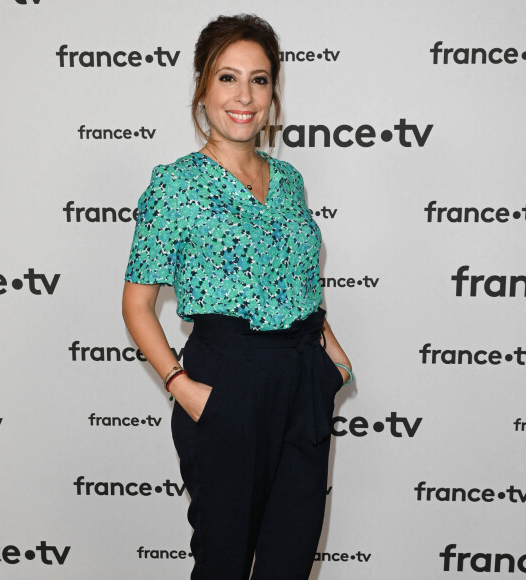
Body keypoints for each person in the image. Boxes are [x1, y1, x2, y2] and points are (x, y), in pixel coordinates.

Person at [122, 13, 352, 580]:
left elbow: (299, 280)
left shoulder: (290, 179)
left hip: (303, 377)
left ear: (274, 91)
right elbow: (136, 304)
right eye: (228, 78)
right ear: (202, 87)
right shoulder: (175, 184)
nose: (244, 96)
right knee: (223, 562)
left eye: (260, 79)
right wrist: (182, 388)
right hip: (227, 379)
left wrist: (333, 358)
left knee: (290, 560)